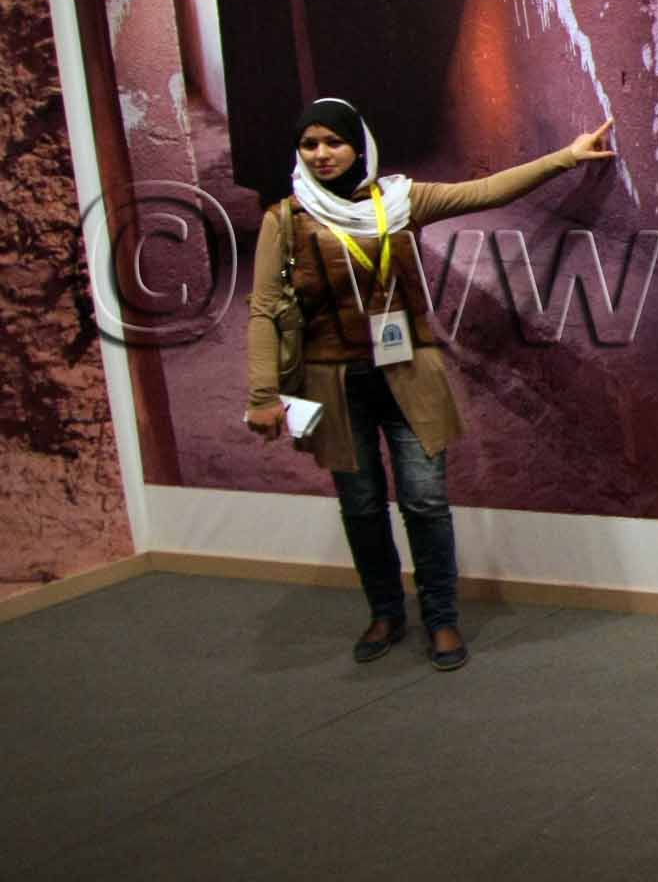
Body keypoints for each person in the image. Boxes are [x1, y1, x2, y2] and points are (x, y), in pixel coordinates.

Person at [243, 98, 618, 670]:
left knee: (425, 501)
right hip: (333, 382)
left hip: (409, 373)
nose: (321, 154)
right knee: (362, 505)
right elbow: (265, 310)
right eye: (309, 144)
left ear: (358, 145)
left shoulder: (399, 201)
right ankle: (386, 611)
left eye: (333, 142)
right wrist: (262, 396)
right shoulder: (285, 220)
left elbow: (486, 191)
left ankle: (441, 619)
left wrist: (566, 158)